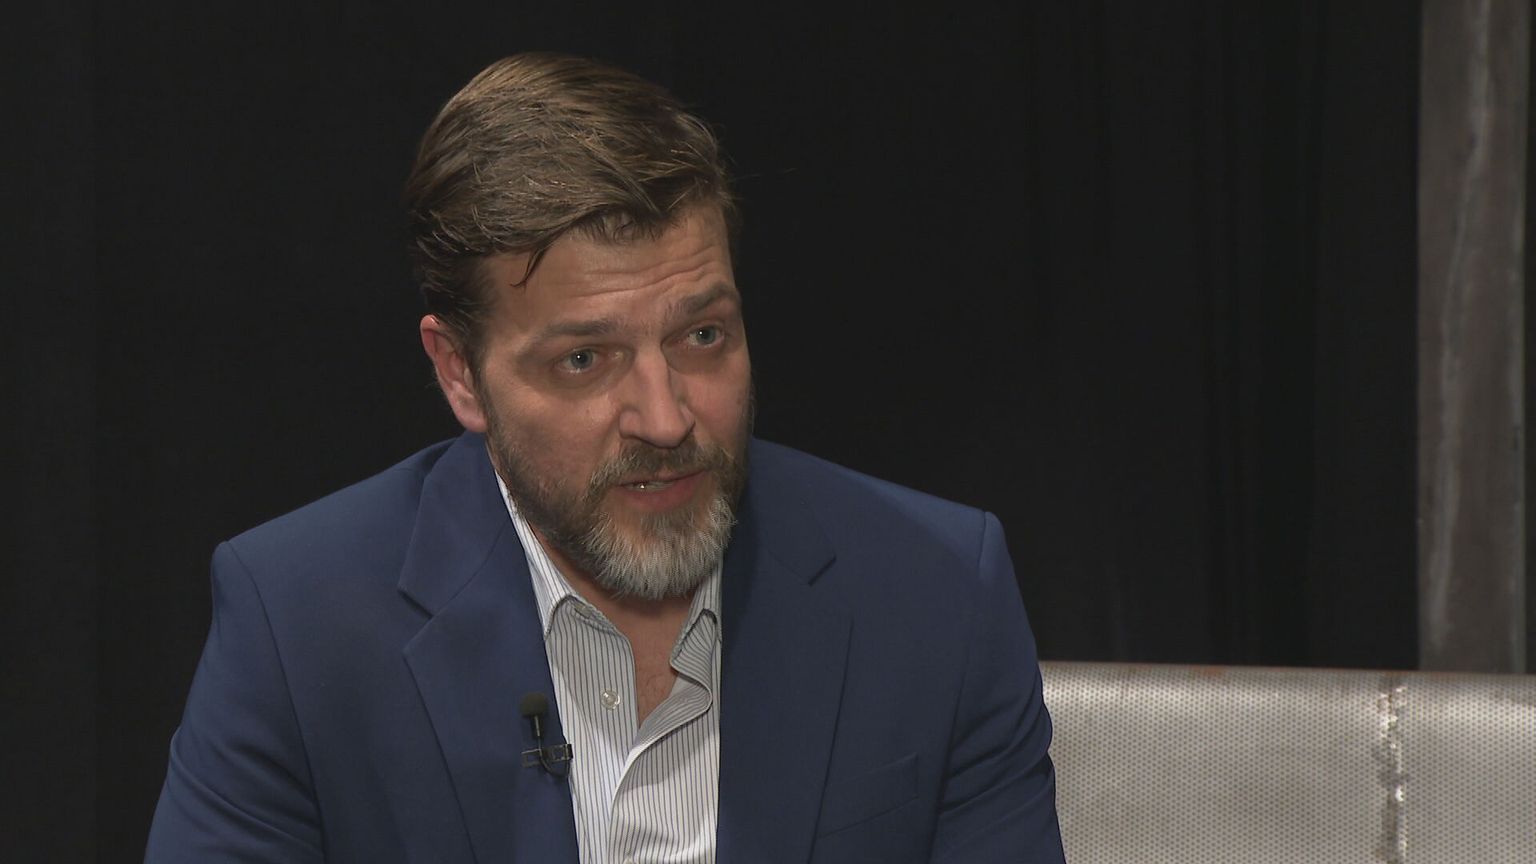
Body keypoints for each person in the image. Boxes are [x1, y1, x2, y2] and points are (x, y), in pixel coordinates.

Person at [145, 52, 1064, 863]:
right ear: (460, 373)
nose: (665, 418)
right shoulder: (298, 627)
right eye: (585, 360)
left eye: (703, 336)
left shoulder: (935, 595)